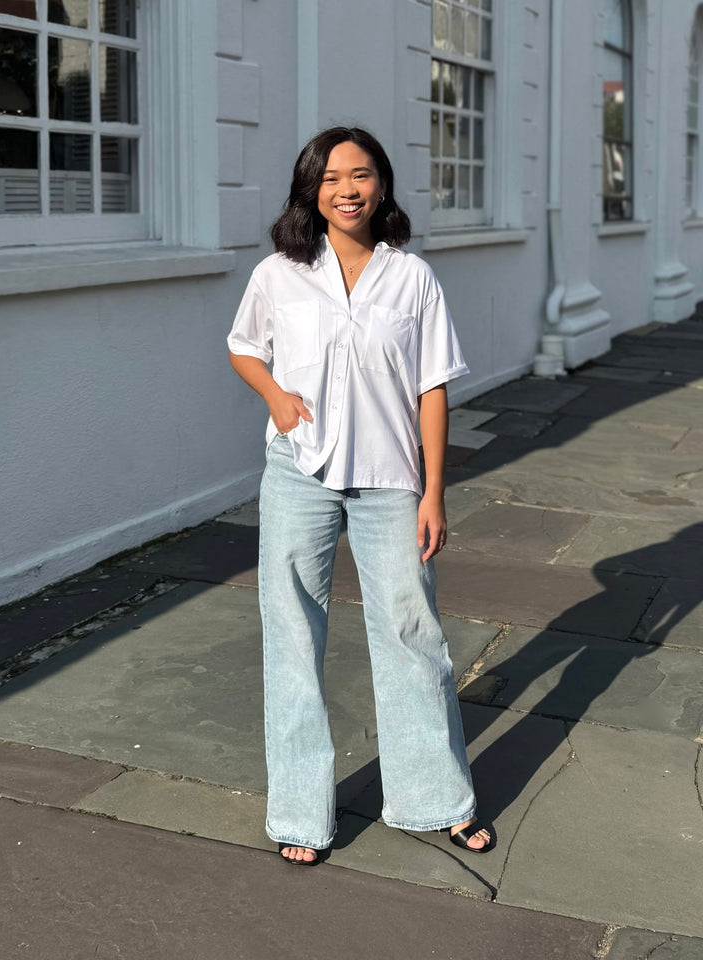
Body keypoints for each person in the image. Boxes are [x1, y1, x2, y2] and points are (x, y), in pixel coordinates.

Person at [228, 126, 492, 866]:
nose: (348, 188)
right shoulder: (278, 274)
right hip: (298, 475)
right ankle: (300, 816)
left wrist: (435, 491)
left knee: (415, 638)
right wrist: (276, 397)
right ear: (311, 188)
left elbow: (431, 385)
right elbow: (243, 347)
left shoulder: (411, 279)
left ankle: (435, 799)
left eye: (363, 173)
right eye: (332, 176)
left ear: (383, 187)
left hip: (390, 481)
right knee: (290, 639)